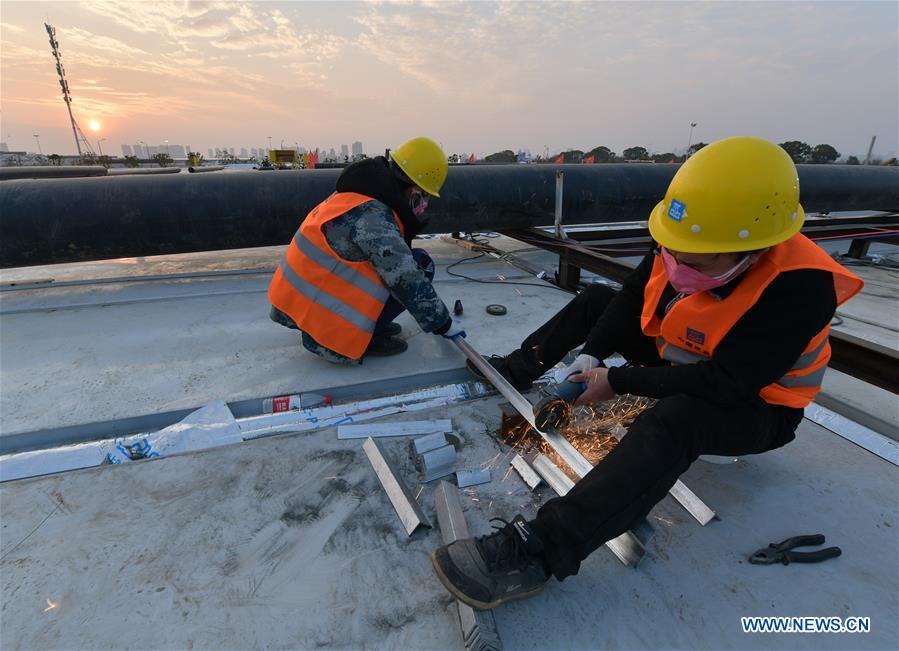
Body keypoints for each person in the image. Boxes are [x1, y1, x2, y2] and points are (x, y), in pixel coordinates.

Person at [430, 136, 864, 610]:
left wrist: (618, 383)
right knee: (596, 302)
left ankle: (539, 551)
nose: (676, 264)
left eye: (695, 260)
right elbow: (632, 295)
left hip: (758, 406)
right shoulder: (687, 237)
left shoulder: (800, 287)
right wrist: (591, 357)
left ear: (755, 248)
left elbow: (726, 384)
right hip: (684, 357)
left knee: (676, 420)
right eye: (672, 251)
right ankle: (516, 369)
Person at [268, 136, 465, 364]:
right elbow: (405, 277)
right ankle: (348, 338)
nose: (424, 204)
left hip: (298, 301)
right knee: (419, 267)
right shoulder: (373, 217)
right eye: (424, 195)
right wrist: (443, 324)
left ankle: (370, 325)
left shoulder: (357, 195)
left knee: (416, 259)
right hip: (325, 322)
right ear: (413, 190)